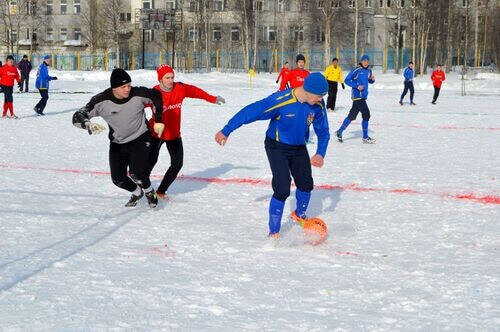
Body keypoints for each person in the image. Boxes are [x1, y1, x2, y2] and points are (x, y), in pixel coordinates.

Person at [214, 72, 330, 238]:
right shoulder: (281, 100)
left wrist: (320, 153)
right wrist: (226, 130)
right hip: (276, 146)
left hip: (298, 147)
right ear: (307, 90)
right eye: (319, 96)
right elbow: (251, 111)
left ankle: (299, 215)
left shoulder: (317, 105)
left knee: (306, 184)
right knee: (282, 188)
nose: (321, 99)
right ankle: (274, 232)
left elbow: (323, 131)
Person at [72, 68, 165, 208]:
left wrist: (158, 119)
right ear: (114, 88)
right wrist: (87, 124)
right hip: (118, 142)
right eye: (123, 87)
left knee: (137, 173)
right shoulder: (101, 101)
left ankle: (149, 191)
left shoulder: (138, 93)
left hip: (140, 137)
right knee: (118, 179)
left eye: (129, 85)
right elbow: (78, 115)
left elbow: (156, 96)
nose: (128, 89)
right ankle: (137, 192)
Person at [147, 64, 226, 199]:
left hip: (174, 135)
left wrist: (212, 98)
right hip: (156, 134)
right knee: (150, 161)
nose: (171, 80)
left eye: (172, 77)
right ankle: (142, 186)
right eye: (167, 78)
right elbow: (137, 105)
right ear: (160, 79)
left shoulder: (180, 88)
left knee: (177, 164)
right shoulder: (153, 93)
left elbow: (196, 92)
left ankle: (161, 191)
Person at [335, 54, 376, 144]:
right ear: (361, 61)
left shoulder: (369, 71)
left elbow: (368, 81)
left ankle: (339, 132)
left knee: (352, 116)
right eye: (364, 61)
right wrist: (357, 86)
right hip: (357, 96)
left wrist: (372, 80)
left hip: (363, 97)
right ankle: (365, 137)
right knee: (366, 114)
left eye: (367, 61)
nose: (366, 62)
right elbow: (347, 80)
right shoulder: (356, 70)